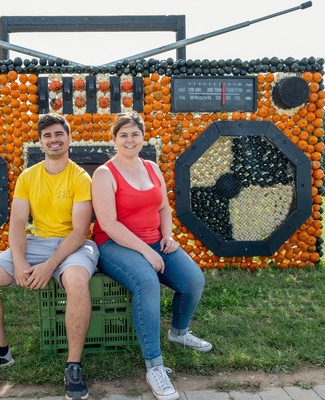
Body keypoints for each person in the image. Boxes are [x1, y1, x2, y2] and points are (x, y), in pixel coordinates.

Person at [0, 113, 99, 400]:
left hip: (73, 244)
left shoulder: (79, 177)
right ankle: (0, 352)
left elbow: (78, 231)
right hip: (37, 241)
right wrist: (21, 261)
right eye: (47, 136)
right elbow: (17, 224)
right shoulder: (28, 177)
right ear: (40, 142)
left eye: (58, 134)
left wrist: (49, 266)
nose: (54, 140)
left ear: (69, 138)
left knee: (75, 279)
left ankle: (73, 365)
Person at [91, 111, 211, 400]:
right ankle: (154, 366)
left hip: (157, 242)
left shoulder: (152, 168)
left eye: (135, 134)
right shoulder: (104, 173)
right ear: (114, 138)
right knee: (147, 283)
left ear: (142, 137)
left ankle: (179, 333)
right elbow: (108, 224)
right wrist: (145, 251)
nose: (129, 140)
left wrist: (167, 237)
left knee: (194, 280)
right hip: (114, 246)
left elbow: (163, 209)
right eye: (123, 135)